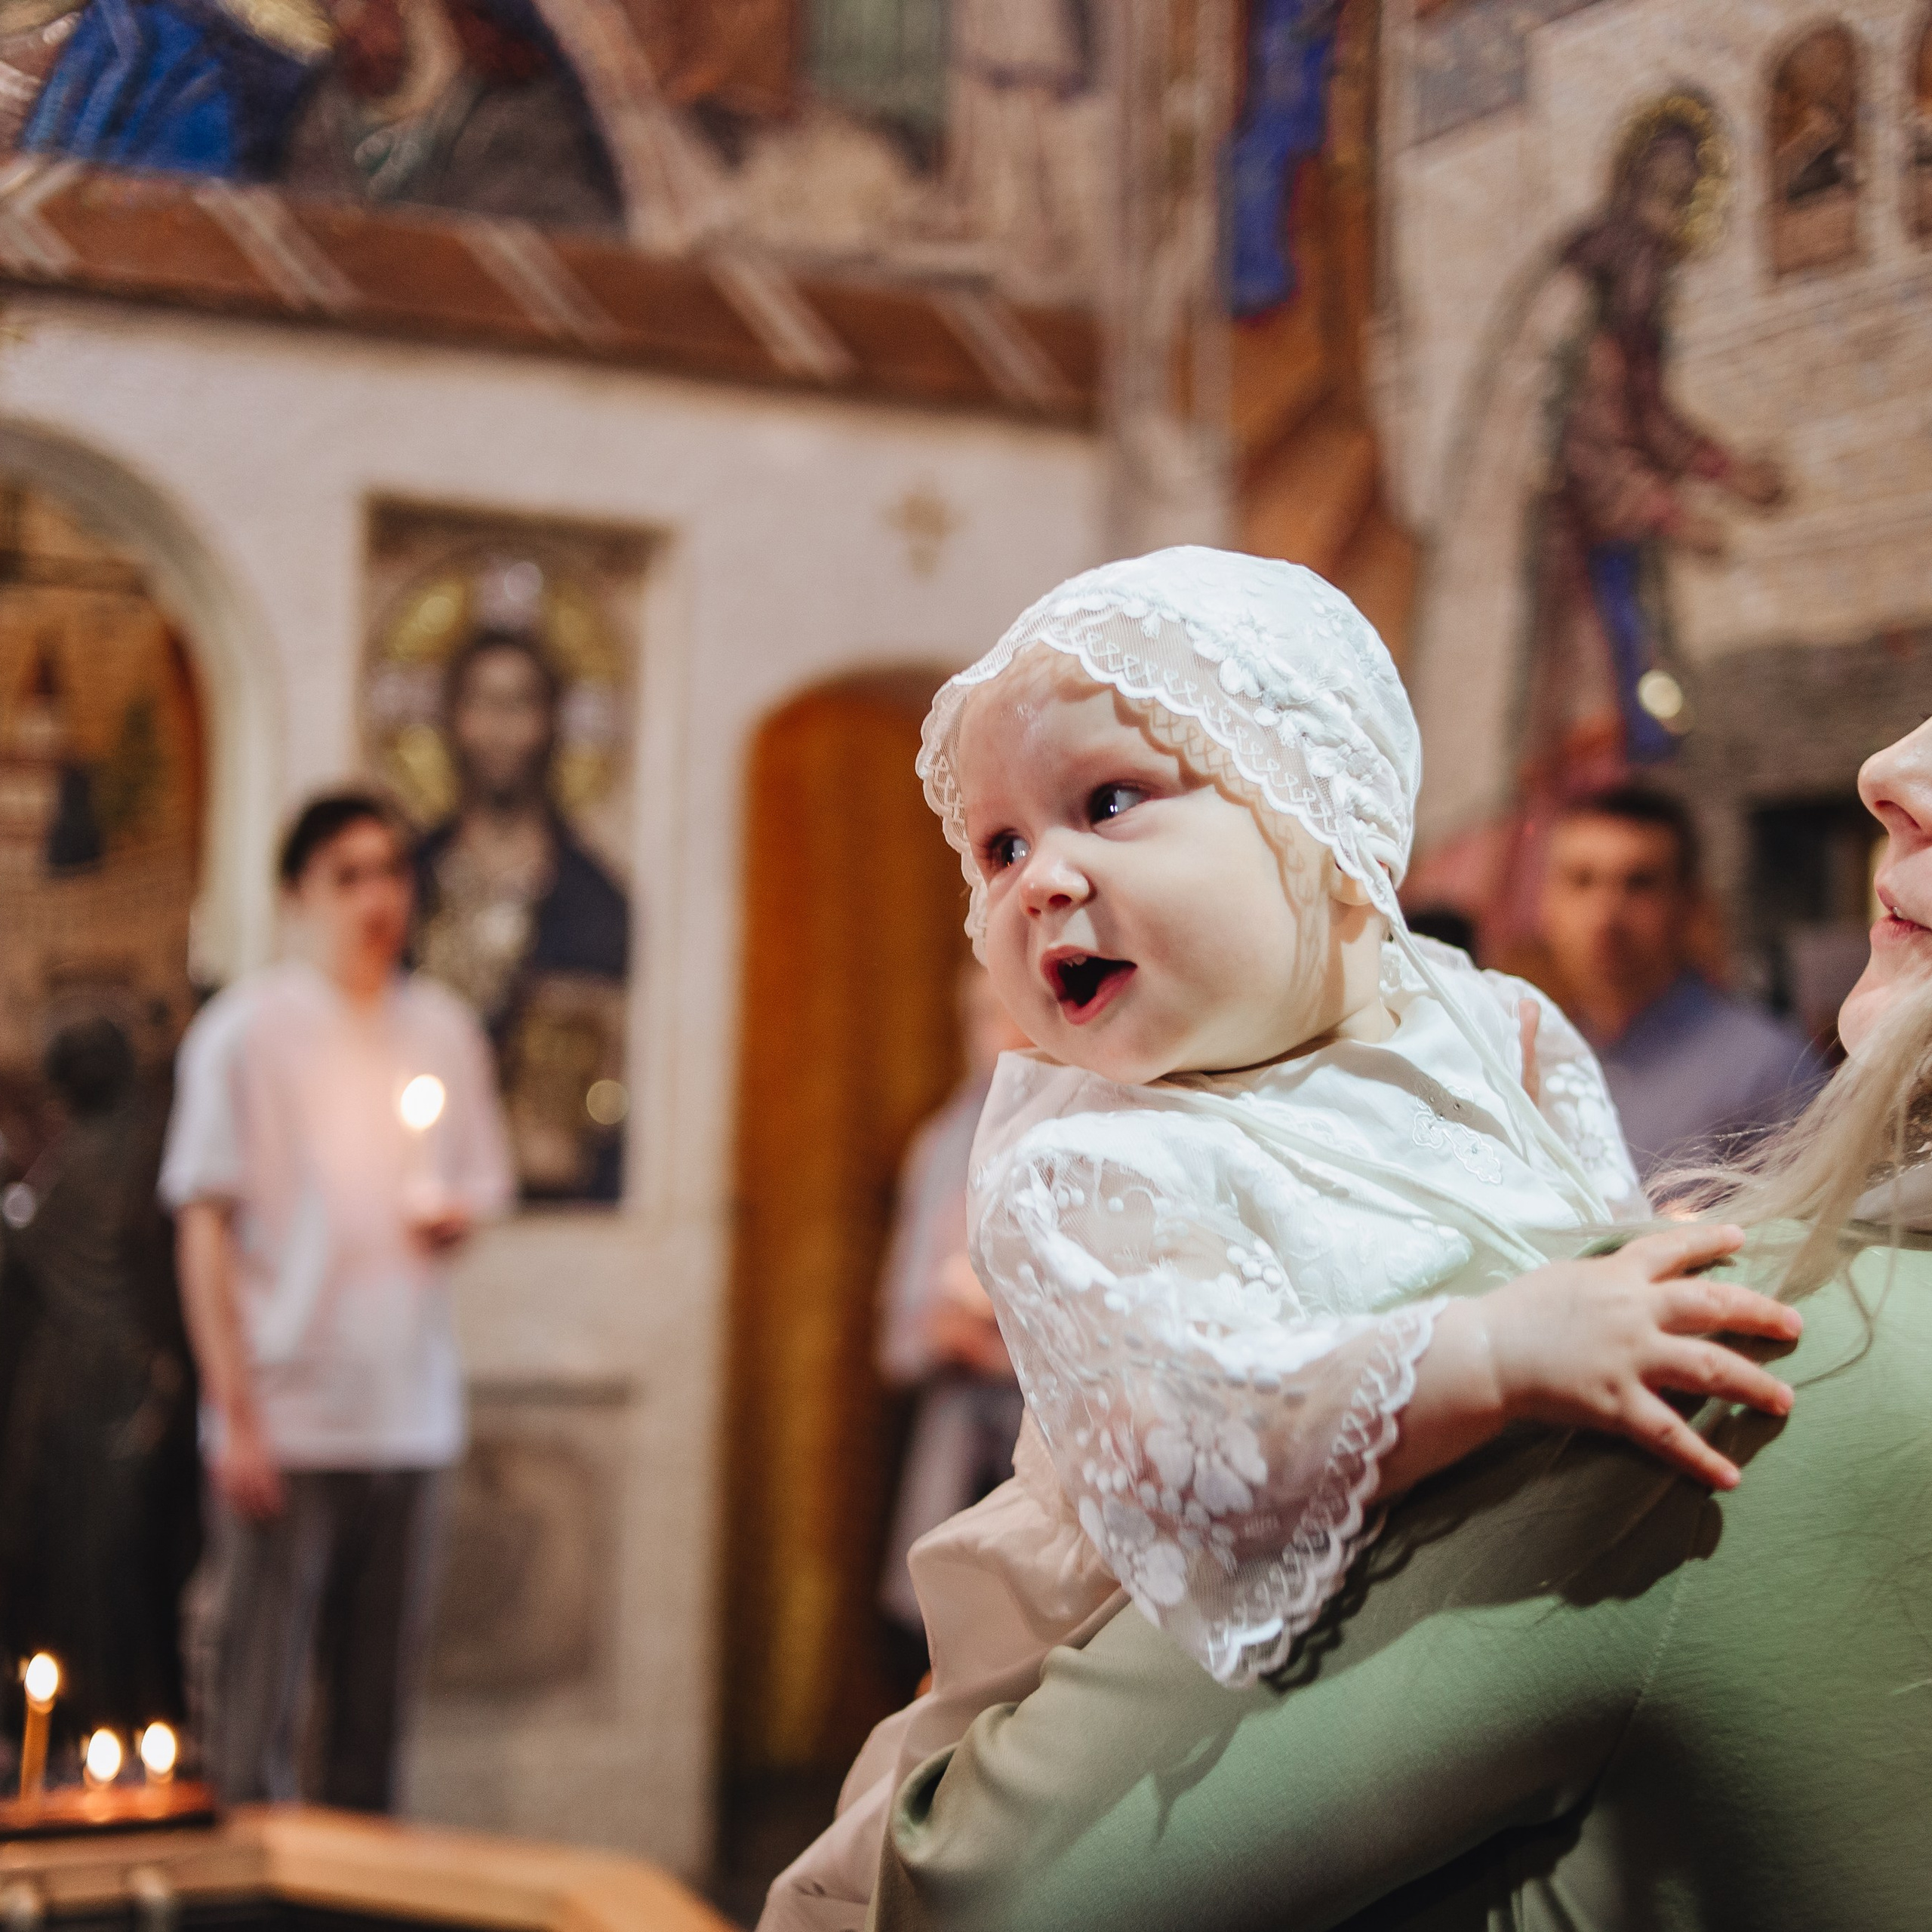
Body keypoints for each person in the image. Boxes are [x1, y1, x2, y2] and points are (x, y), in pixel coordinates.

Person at [761, 549, 1799, 1930]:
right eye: (998, 846)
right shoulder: (1090, 1157)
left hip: (1445, 1653)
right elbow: (1203, 1430)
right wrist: (1496, 1350)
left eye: (1107, 802)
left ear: (1323, 820)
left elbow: (1581, 1239)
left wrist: (1647, 1268)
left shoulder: (1492, 1027)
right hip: (1139, 1697)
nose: (1037, 882)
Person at [162, 789, 512, 1810]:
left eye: (394, 872)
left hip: (408, 1414)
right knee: (253, 1716)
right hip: (285, 1415)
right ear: (297, 896)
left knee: (374, 1723)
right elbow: (202, 1227)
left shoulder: (442, 1029)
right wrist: (234, 1414)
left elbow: (477, 1181)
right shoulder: (245, 1033)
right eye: (348, 875)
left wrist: (452, 1217)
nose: (377, 897)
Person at [0, 1015, 200, 1743]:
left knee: (93, 1565)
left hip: (85, 1391)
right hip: (129, 1383)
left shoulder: (95, 1155)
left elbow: (26, 1253)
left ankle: (101, 1723)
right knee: (108, 1567)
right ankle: (120, 1722)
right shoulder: (142, 1144)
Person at [412, 626, 629, 1201]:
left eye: (520, 705)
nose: (500, 729)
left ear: (550, 723)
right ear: (453, 719)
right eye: (481, 703)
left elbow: (604, 1075)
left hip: (546, 1195)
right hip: (415, 1177)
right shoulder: (409, 879)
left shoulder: (592, 897)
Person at [1540, 784, 1825, 1177]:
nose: (1605, 916)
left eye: (1639, 883)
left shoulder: (1768, 1072)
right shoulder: (1532, 1053)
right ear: (1547, 903)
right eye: (1582, 881)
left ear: (1687, 903)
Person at [875, 964, 1029, 1667]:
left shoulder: (1100, 1129)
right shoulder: (946, 1144)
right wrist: (958, 1332)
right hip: (962, 1456)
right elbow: (901, 1337)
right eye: (976, 1016)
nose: (991, 1036)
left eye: (1008, 1012)